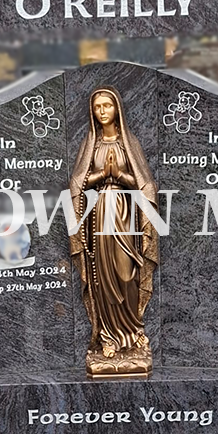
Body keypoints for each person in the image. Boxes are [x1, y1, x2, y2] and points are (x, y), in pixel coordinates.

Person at [68, 87, 158, 372]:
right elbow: (76, 185)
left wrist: (118, 176)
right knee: (102, 280)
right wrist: (100, 176)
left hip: (125, 216)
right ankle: (107, 336)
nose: (102, 111)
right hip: (98, 219)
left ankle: (133, 333)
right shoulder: (91, 146)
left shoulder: (128, 144)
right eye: (97, 107)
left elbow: (146, 185)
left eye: (107, 105)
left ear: (117, 108)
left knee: (126, 274)